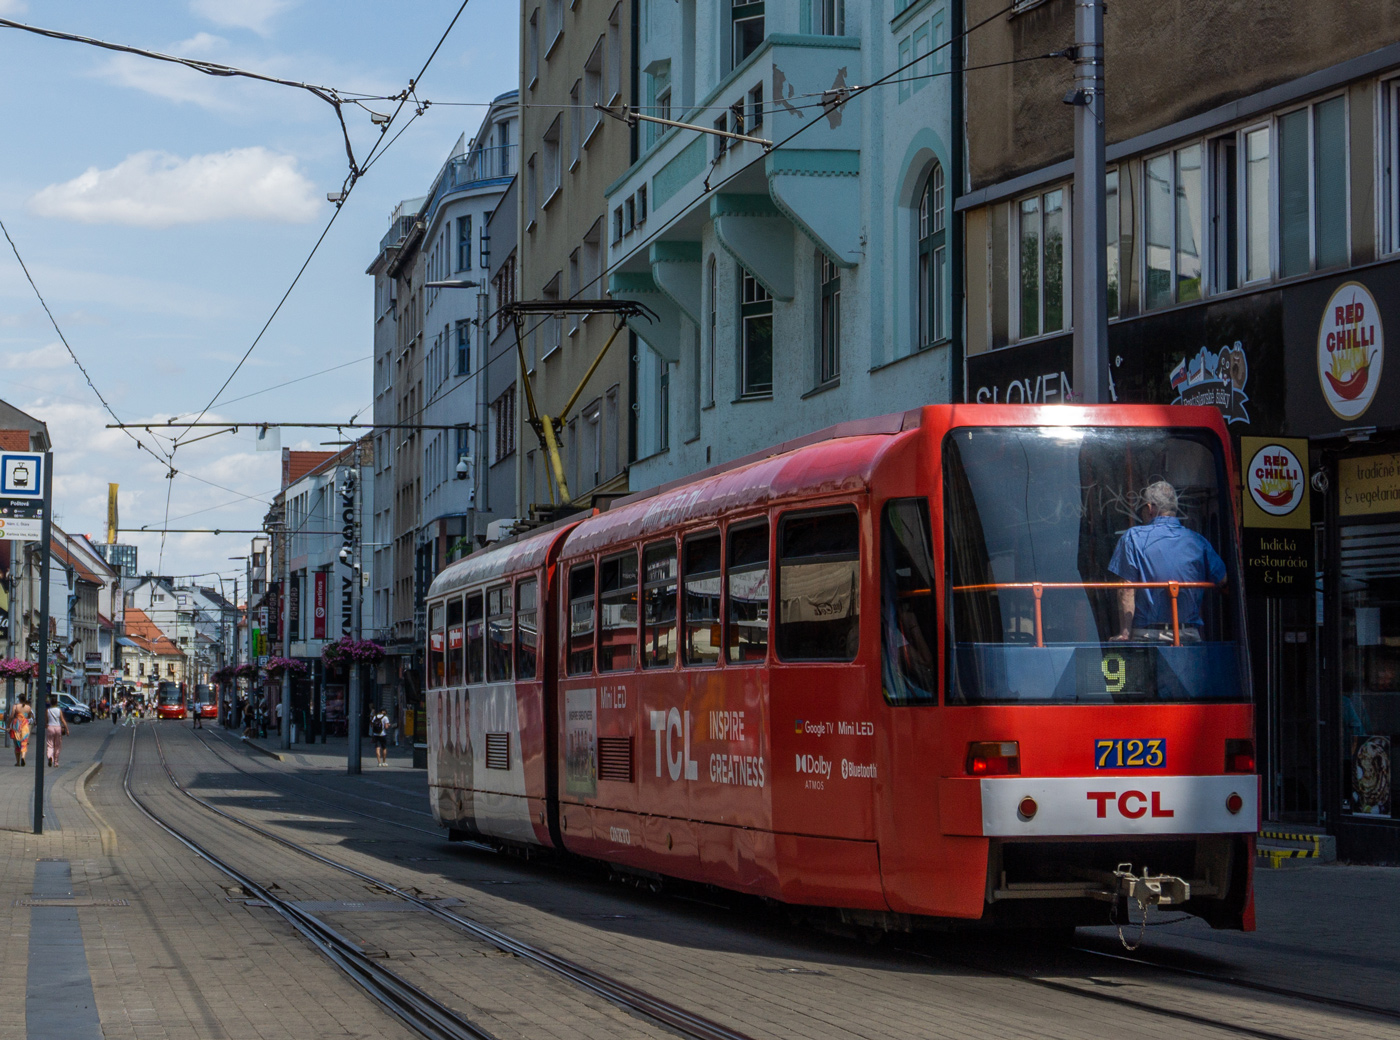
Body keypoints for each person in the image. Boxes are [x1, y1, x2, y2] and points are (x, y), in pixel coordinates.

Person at [1109, 481, 1227, 643]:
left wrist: (1125, 632)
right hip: (1188, 635)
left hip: (1147, 637)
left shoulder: (1133, 538)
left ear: (1150, 508)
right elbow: (1223, 580)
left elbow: (1126, 589)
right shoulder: (1198, 541)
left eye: (1142, 508)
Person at [44, 694, 68, 768]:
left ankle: (50, 757)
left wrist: (46, 725)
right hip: (58, 728)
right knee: (57, 745)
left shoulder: (48, 710)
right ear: (56, 703)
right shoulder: (59, 710)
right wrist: (67, 729)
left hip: (50, 727)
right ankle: (56, 762)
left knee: (50, 744)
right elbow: (62, 720)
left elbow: (46, 720)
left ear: (50, 703)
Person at [9, 695, 33, 766]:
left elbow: (11, 716)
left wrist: (8, 725)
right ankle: (23, 757)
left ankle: (18, 762)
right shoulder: (28, 707)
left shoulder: (15, 706)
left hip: (17, 725)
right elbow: (29, 716)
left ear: (19, 699)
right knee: (24, 743)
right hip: (25, 725)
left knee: (17, 744)